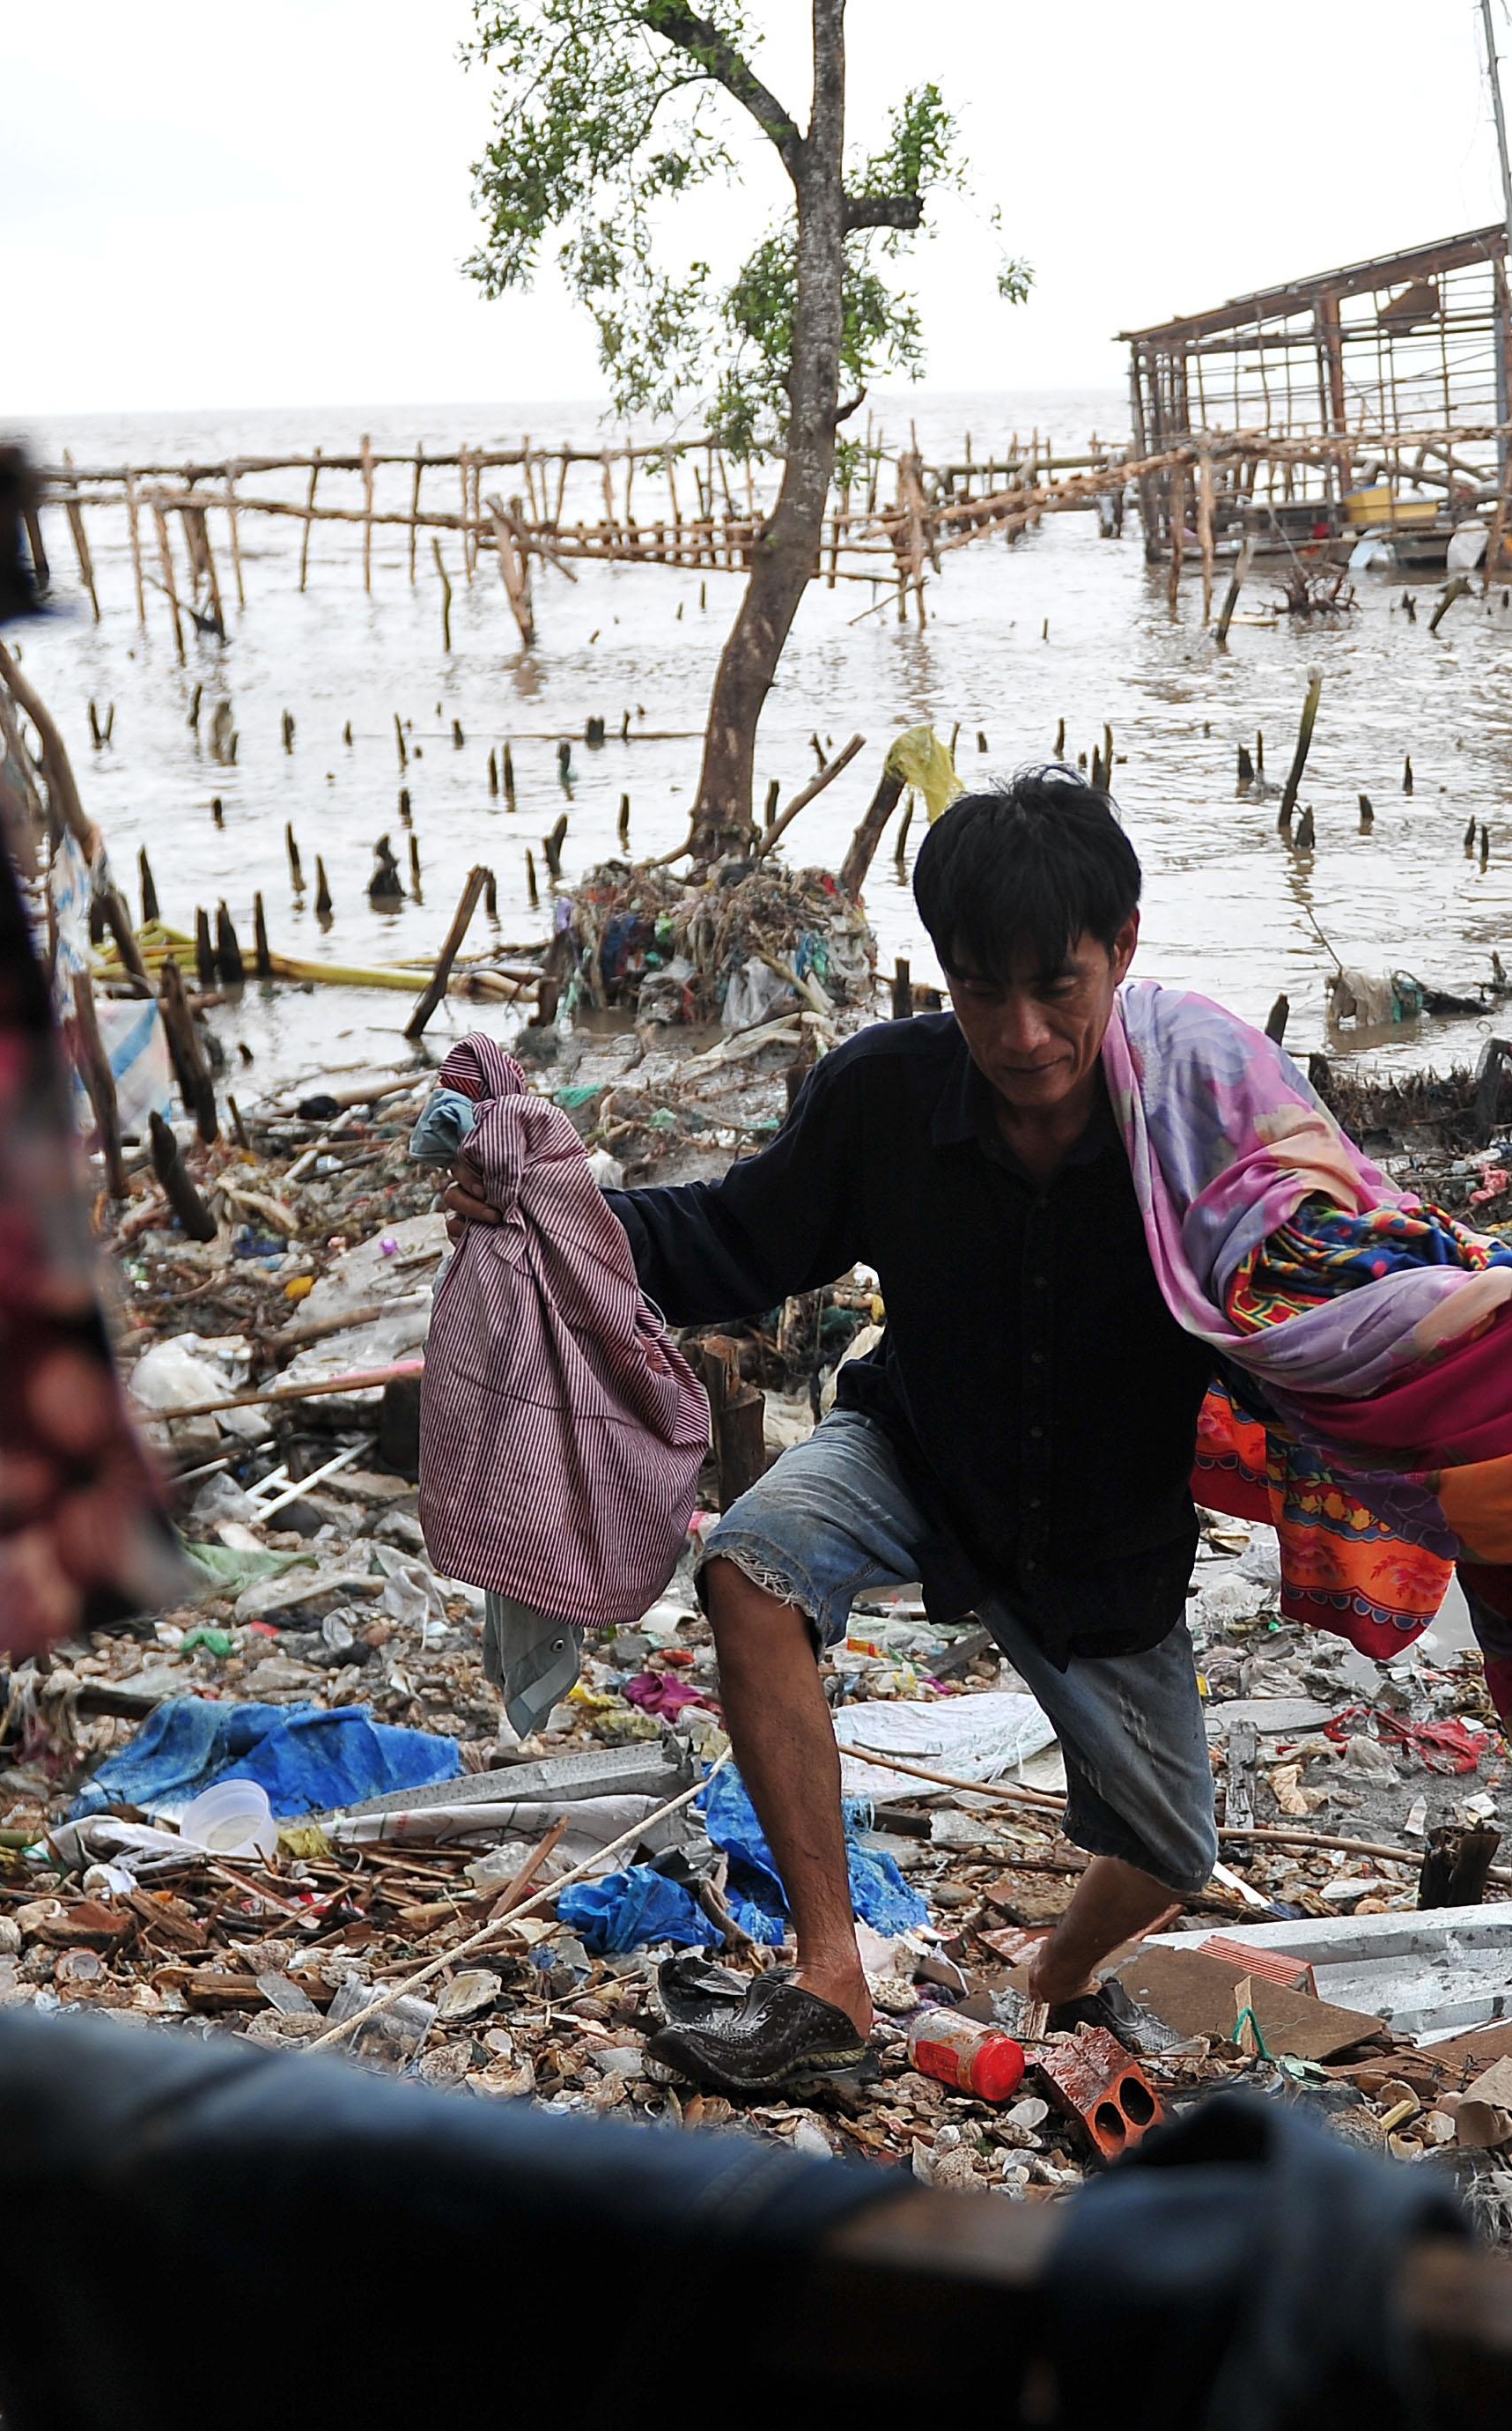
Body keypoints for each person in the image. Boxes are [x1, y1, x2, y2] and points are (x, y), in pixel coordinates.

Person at [456, 769, 1213, 2101]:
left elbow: (1311, 1300)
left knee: (1172, 1852)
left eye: (1058, 988)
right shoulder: (885, 1099)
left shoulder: (1197, 1122)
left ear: (1125, 949)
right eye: (983, 992)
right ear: (944, 975)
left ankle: (1053, 1974)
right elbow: (740, 1238)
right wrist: (560, 1215)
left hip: (1108, 1528)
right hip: (918, 1451)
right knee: (752, 1563)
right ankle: (829, 1981)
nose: (1024, 1034)